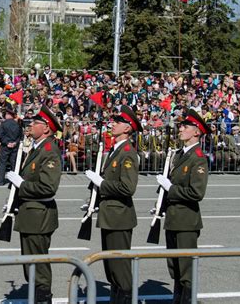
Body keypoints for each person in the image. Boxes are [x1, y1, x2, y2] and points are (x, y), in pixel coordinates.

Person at [84, 105, 142, 304]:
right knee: (111, 269)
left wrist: (101, 183)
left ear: (127, 128)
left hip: (119, 218)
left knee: (120, 270)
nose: (113, 124)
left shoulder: (127, 153)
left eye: (118, 122)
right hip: (110, 216)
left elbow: (127, 187)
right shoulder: (115, 151)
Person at [5, 105, 62, 304]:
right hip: (30, 215)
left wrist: (22, 184)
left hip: (39, 217)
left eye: (35, 123)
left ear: (46, 128)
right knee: (30, 265)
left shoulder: (49, 151)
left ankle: (43, 300)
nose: (30, 125)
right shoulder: (37, 148)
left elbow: (47, 187)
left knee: (38, 266)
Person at [156, 109, 210, 304]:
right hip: (173, 219)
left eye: (185, 126)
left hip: (186, 221)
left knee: (186, 269)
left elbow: (197, 193)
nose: (181, 128)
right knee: (175, 267)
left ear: (196, 132)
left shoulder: (198, 158)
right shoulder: (178, 154)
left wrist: (170, 188)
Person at [0, 108, 22, 186]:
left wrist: (7, 143)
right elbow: (20, 136)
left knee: (3, 163)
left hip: (5, 146)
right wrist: (15, 143)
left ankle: (1, 180)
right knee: (13, 163)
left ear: (8, 115)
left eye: (6, 114)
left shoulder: (4, 124)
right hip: (14, 146)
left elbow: (1, 135)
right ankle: (13, 181)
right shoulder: (17, 124)